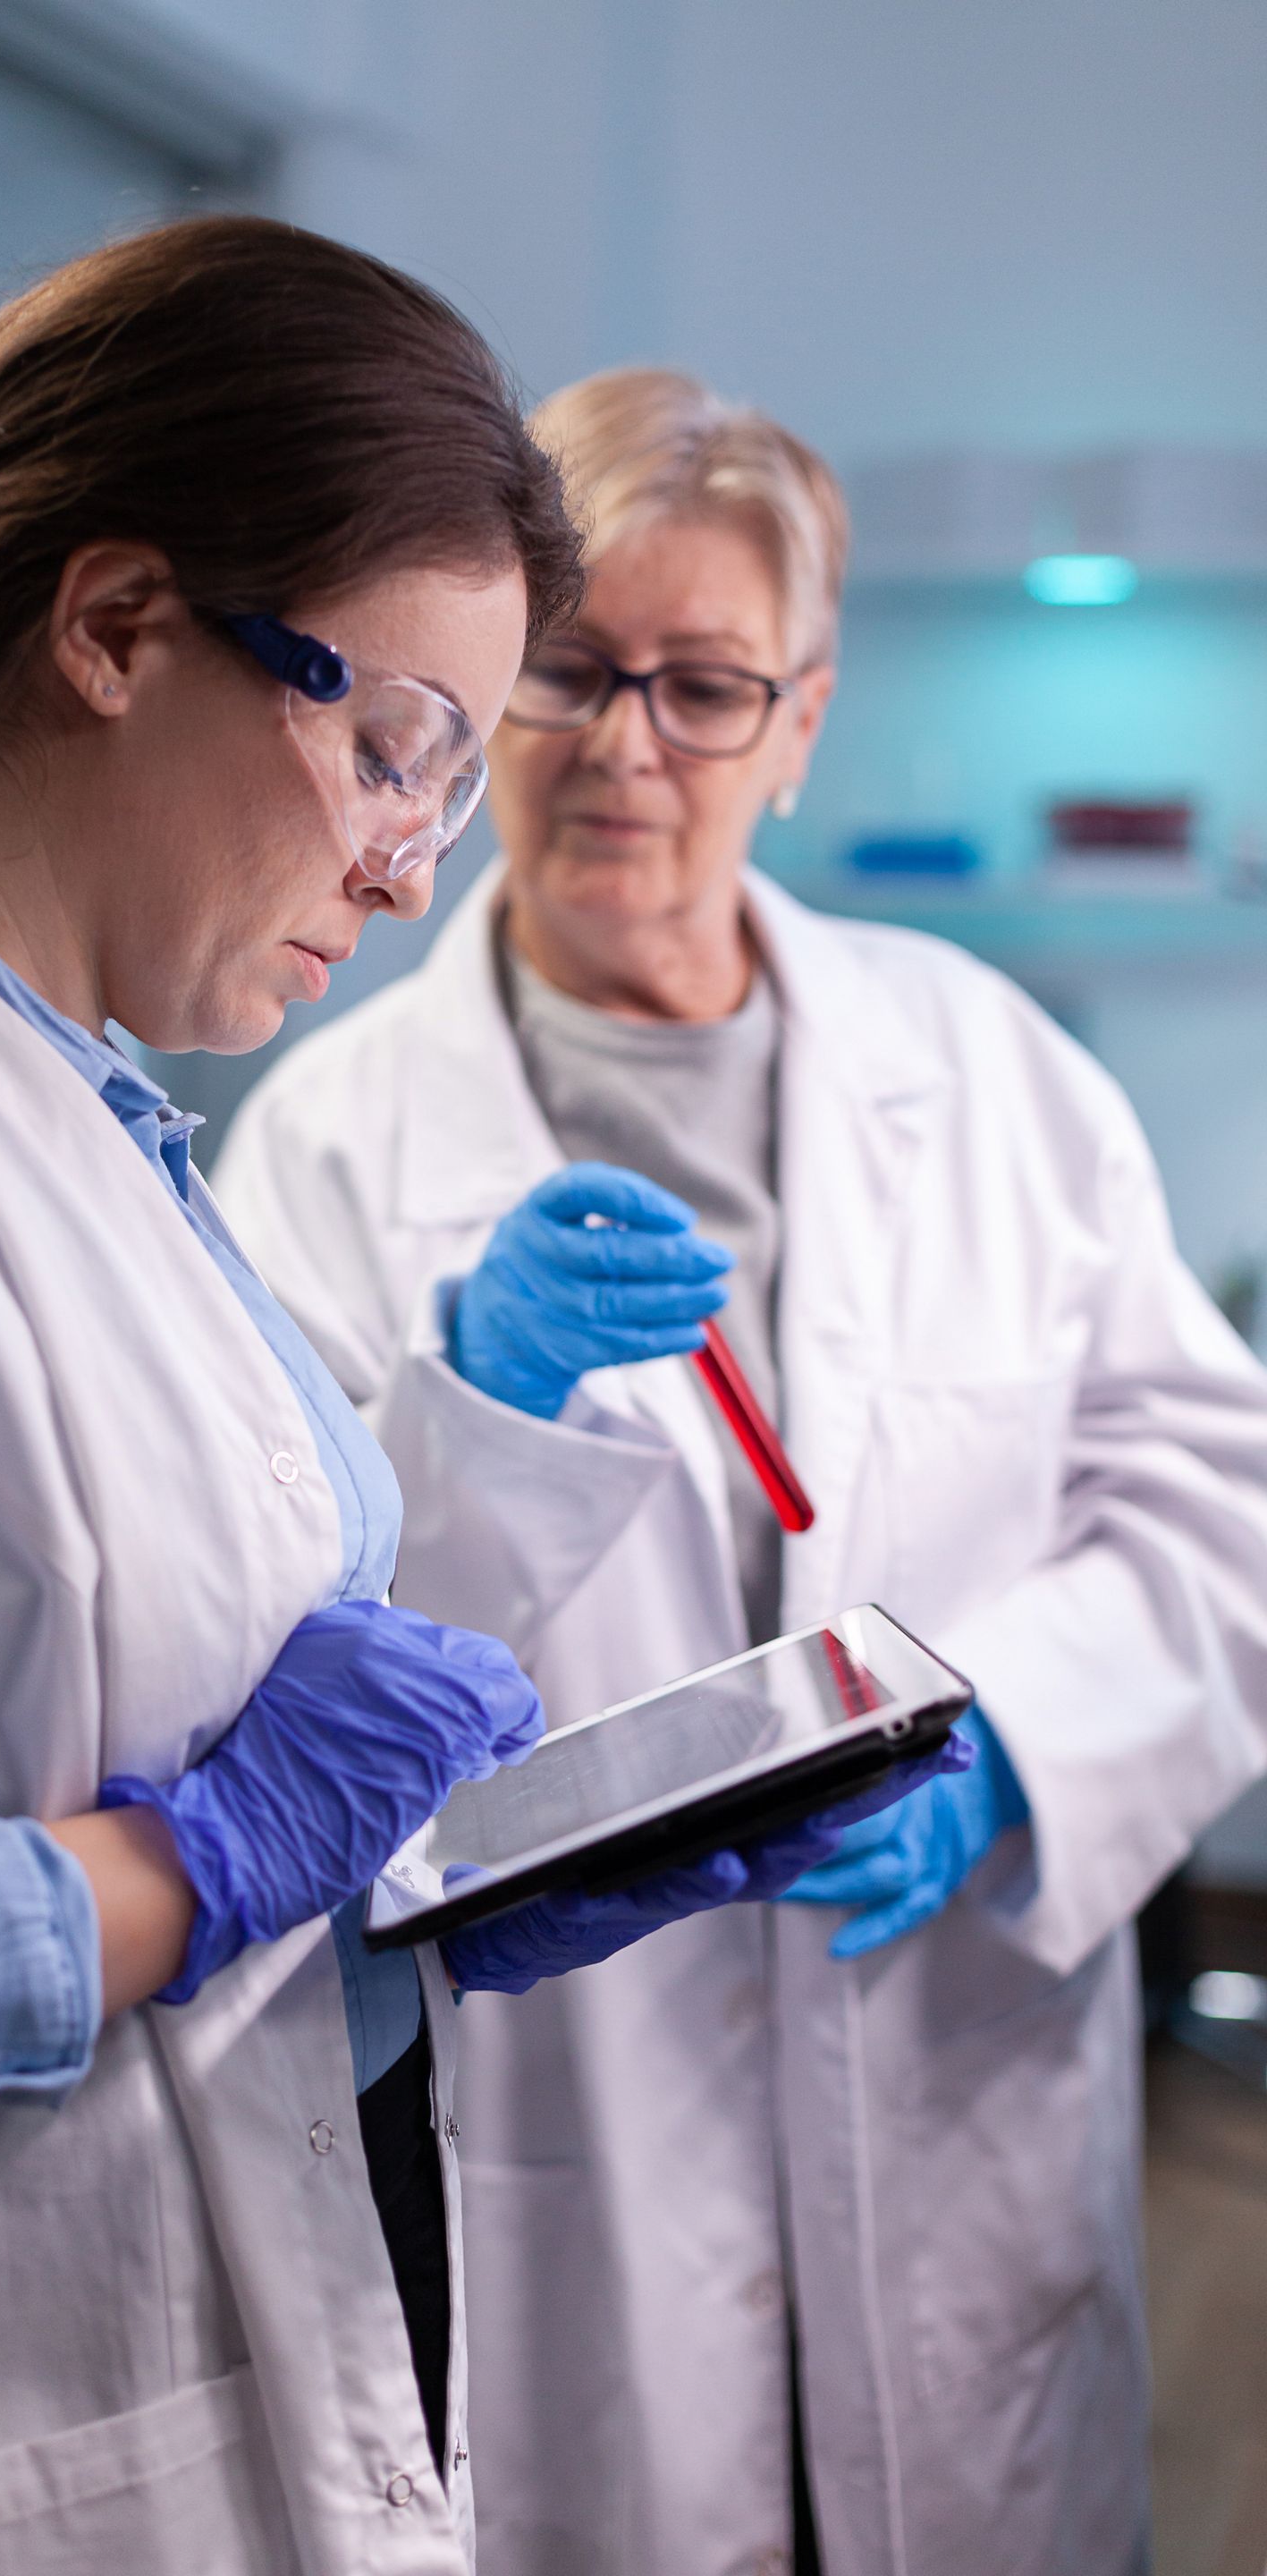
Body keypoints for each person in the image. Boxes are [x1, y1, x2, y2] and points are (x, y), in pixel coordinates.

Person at [0, 256, 907, 2576]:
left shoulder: (84, 1125)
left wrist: (442, 1887)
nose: (409, 864)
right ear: (113, 627)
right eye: (394, 743)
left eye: (446, 784)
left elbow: (54, 1733)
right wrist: (195, 1871)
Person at [215, 365, 1267, 2576]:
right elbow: (249, 1652)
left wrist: (1012, 1754)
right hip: (573, 2109)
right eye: (577, 672)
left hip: (953, 2048)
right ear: (493, 692)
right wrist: (466, 1411)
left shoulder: (987, 1074)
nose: (628, 748)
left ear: (800, 727)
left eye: (705, 688)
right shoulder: (329, 1131)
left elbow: (1206, 1509)